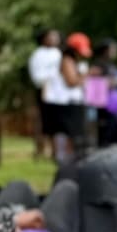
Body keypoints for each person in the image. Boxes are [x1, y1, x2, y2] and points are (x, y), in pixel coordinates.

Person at [44, 34, 89, 165]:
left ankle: (69, 161)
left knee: (73, 136)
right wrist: (86, 75)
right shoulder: (66, 60)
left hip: (71, 104)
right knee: (66, 135)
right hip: (64, 104)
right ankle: (64, 162)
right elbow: (71, 81)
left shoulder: (72, 61)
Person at [27, 29, 61, 159]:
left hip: (58, 92)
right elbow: (37, 76)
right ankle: (40, 149)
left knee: (56, 122)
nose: (55, 38)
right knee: (42, 121)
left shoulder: (58, 53)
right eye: (52, 36)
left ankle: (55, 150)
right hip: (45, 90)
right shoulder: (38, 55)